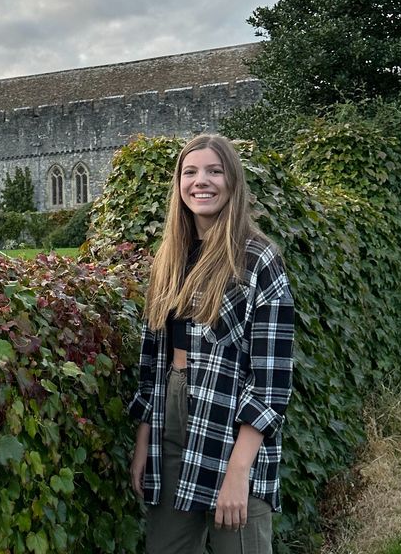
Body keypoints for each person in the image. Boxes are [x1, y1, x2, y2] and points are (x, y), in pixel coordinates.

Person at [128, 134, 295, 554]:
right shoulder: (169, 257)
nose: (201, 181)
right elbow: (153, 361)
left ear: (233, 181)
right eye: (190, 172)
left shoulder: (258, 259)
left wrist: (239, 472)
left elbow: (272, 382)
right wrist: (143, 441)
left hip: (232, 428)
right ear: (178, 184)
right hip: (172, 417)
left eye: (214, 171)